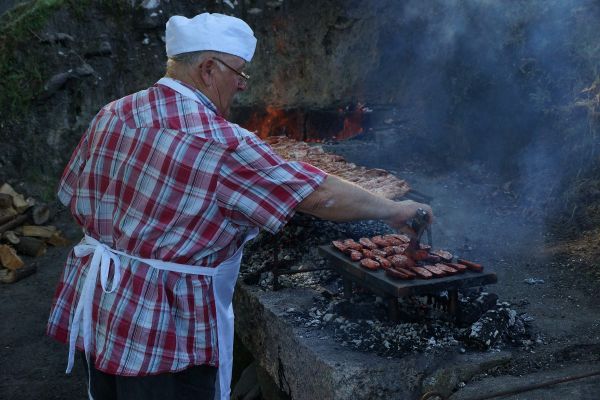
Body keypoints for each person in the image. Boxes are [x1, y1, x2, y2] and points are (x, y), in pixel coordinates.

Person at [47, 12, 432, 400]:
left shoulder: (115, 111)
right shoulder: (220, 141)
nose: (243, 86)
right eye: (240, 73)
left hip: (99, 302)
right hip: (163, 321)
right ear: (208, 68)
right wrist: (394, 210)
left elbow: (72, 192)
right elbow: (317, 194)